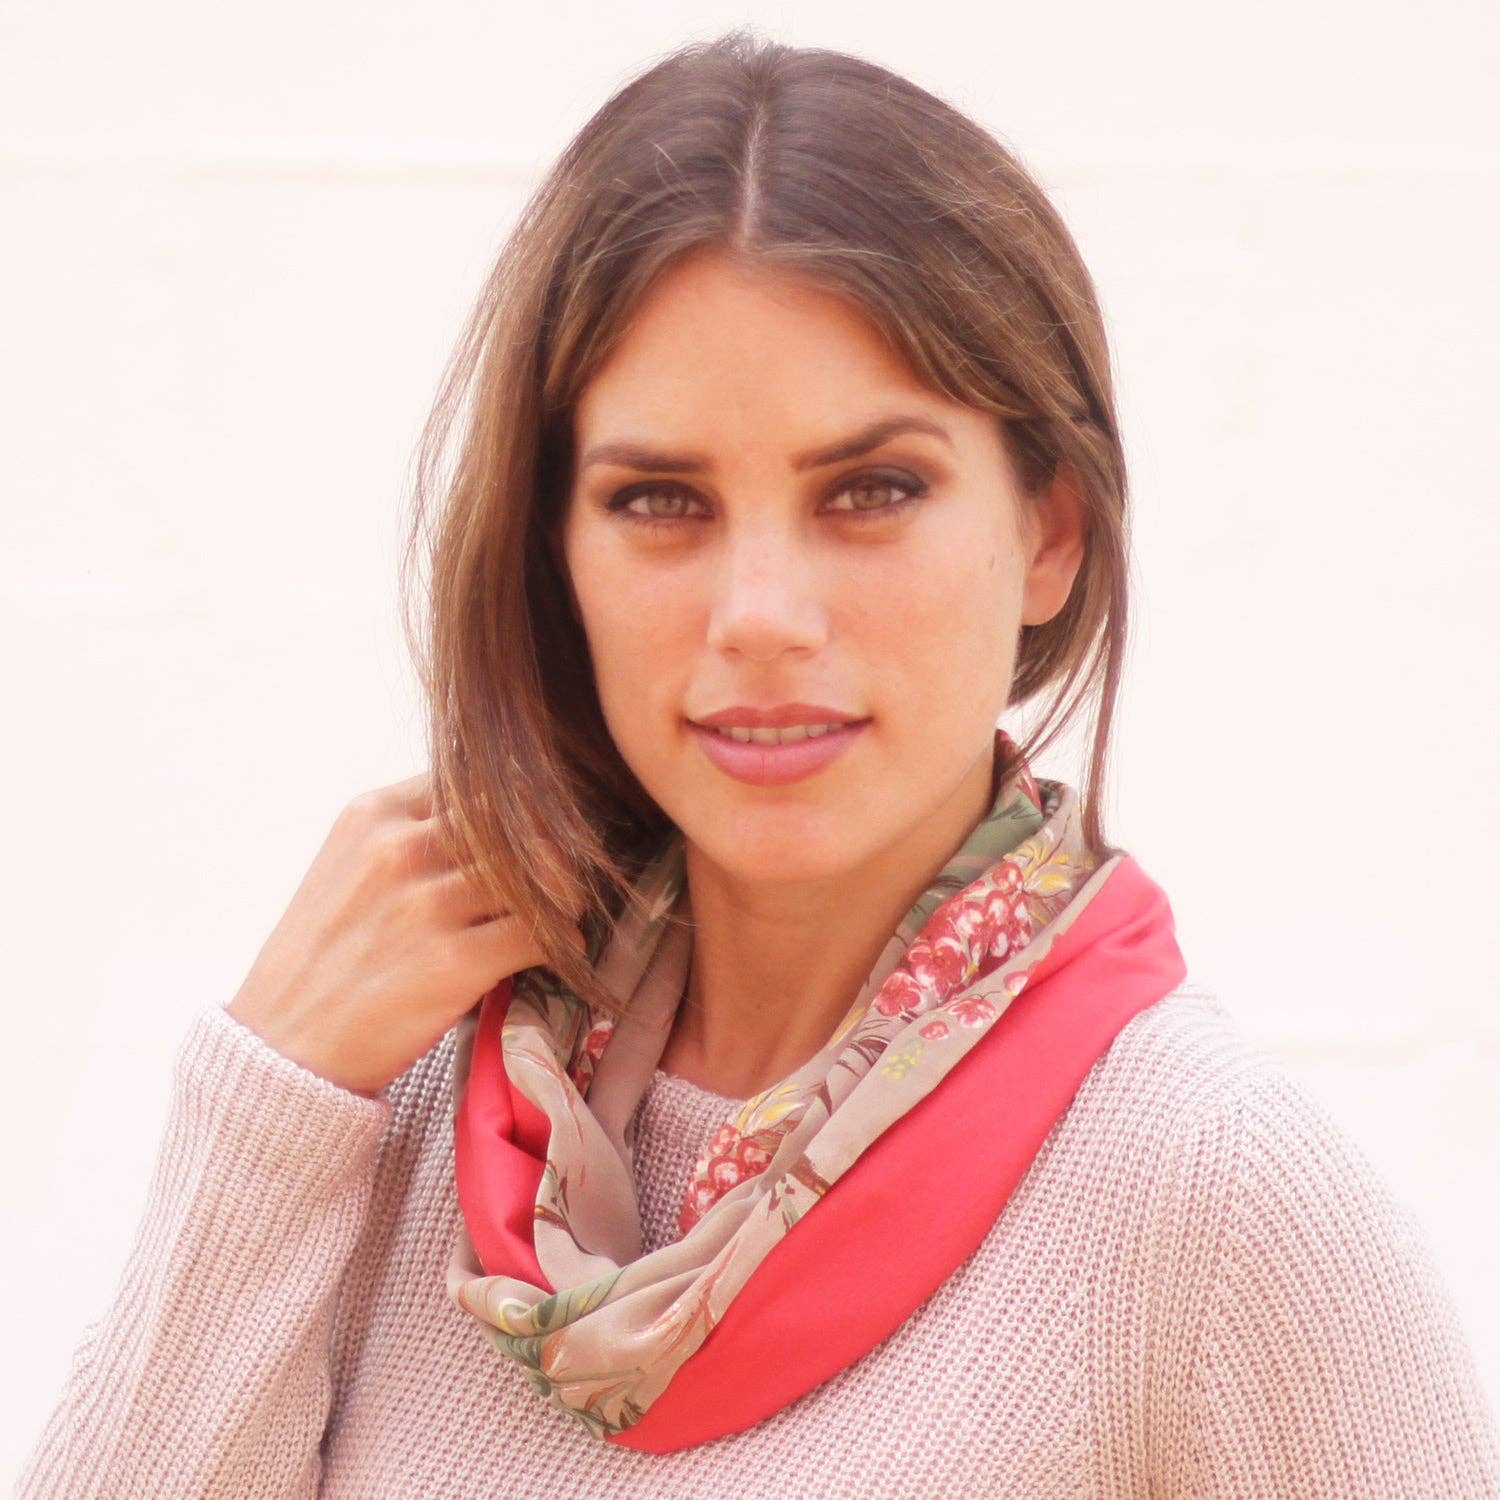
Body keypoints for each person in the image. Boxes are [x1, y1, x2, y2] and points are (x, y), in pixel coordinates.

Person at [18, 26, 1500, 1499]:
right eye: (660, 500)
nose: (761, 617)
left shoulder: (1211, 1203)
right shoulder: (396, 1098)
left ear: (1048, 531)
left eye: (872, 489)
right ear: (554, 551)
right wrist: (274, 1102)